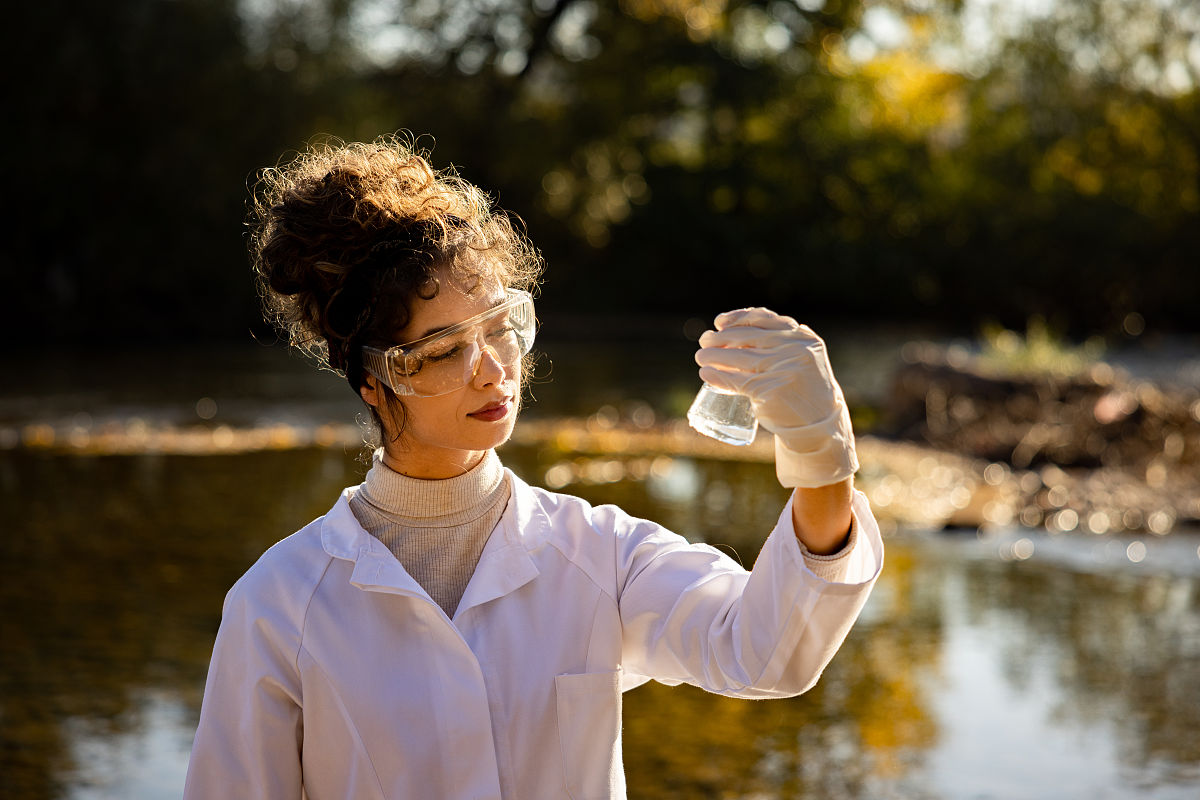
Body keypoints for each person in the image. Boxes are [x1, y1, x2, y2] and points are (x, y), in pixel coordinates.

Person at [182, 135, 884, 799]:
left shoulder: (599, 555)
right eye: (445, 349)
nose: (493, 372)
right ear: (374, 379)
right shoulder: (280, 605)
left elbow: (767, 651)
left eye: (501, 328)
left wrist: (823, 457)